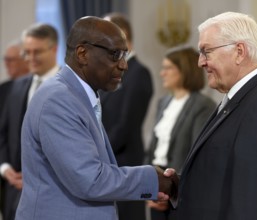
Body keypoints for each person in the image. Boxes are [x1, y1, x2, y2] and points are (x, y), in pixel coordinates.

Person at [15, 16, 175, 220]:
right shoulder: (58, 99)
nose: (124, 65)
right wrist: (153, 179)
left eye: (124, 55)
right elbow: (90, 179)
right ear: (82, 54)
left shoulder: (76, 95)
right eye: (115, 54)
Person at [165, 12, 257, 220]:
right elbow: (226, 175)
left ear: (239, 51)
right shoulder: (245, 98)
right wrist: (179, 187)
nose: (200, 62)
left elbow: (251, 204)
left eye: (206, 51)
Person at [146, 46, 216, 220]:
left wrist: (171, 191)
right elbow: (152, 148)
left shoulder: (203, 105)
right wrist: (147, 184)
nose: (162, 73)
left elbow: (196, 155)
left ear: (185, 71)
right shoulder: (163, 102)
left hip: (180, 190)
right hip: (156, 185)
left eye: (168, 68)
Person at [0, 23, 60, 220]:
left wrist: (40, 176)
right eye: (27, 52)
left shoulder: (69, 87)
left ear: (54, 49)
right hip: (14, 190)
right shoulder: (17, 86)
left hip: (54, 193)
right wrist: (5, 168)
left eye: (37, 52)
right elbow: (4, 133)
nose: (31, 58)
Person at [100, 13, 153, 220]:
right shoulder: (108, 72)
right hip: (108, 164)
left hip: (125, 164)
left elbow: (127, 125)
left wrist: (96, 151)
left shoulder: (139, 73)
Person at [0, 40, 29, 220]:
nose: (7, 64)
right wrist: (4, 166)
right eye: (5, 60)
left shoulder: (45, 87)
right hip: (8, 176)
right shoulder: (3, 90)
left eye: (12, 60)